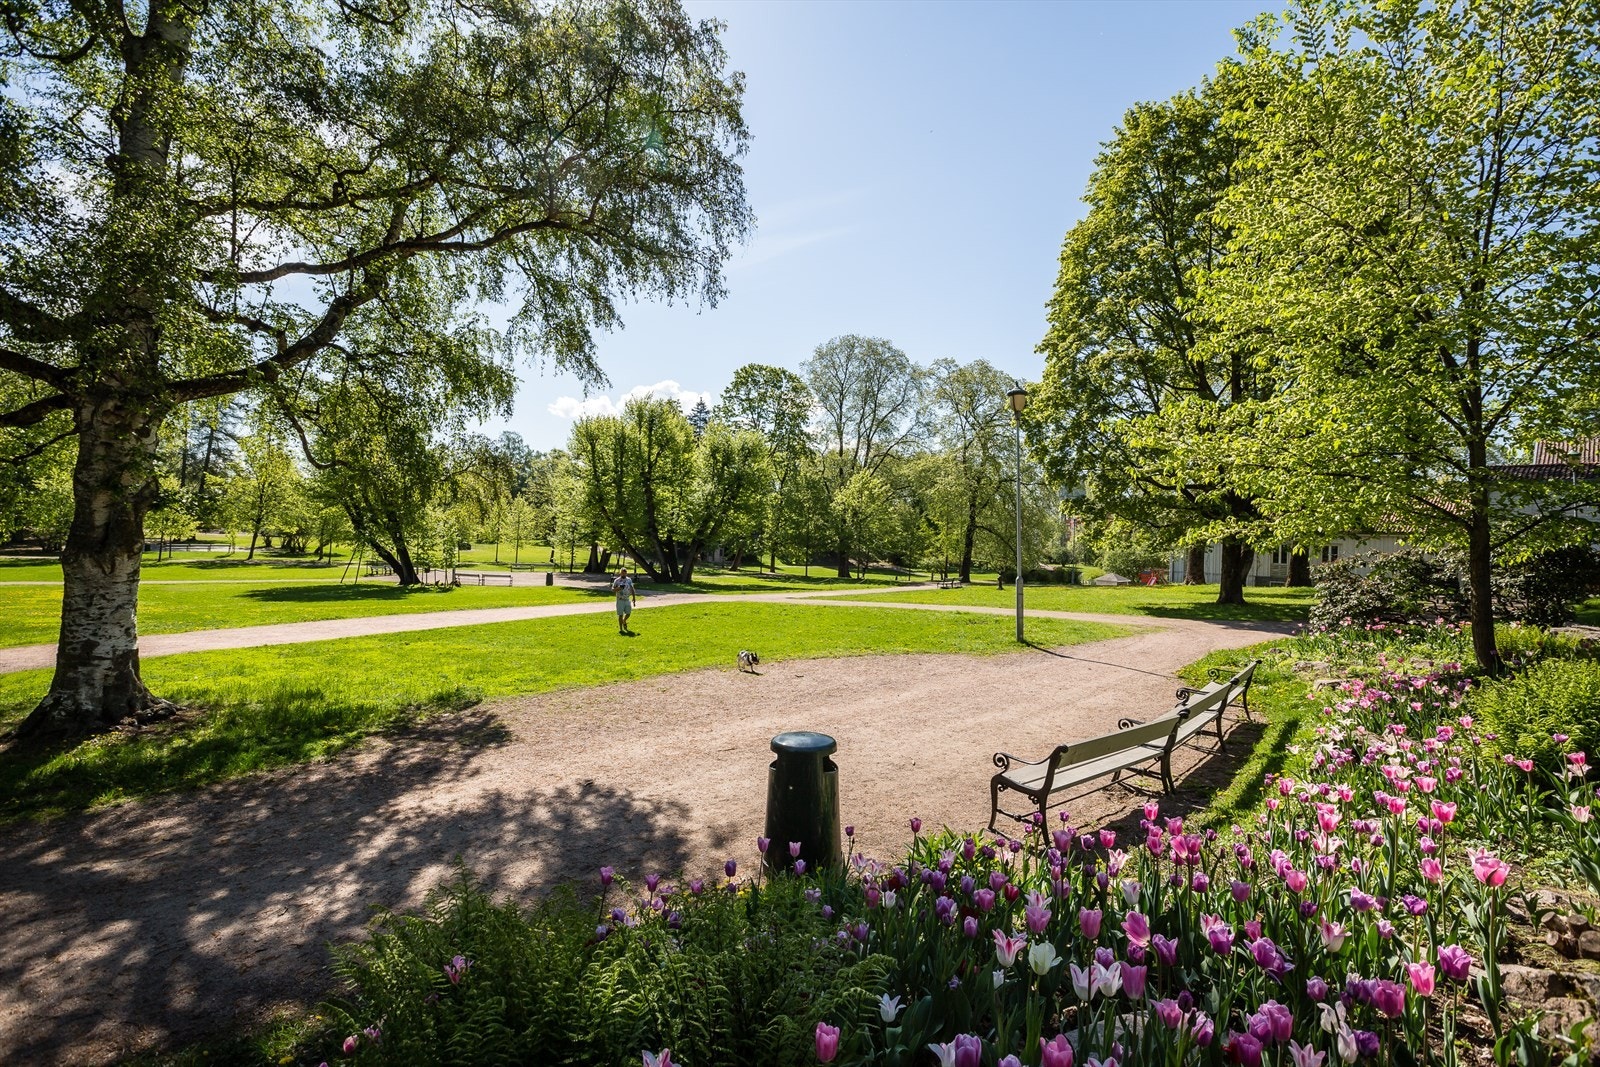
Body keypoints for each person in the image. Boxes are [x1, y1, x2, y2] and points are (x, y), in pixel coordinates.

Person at [611, 567, 636, 634]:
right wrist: (619, 588)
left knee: (628, 613)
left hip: (627, 599)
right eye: (622, 573)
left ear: (626, 573)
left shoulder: (629, 580)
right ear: (620, 573)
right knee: (620, 615)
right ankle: (621, 629)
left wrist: (634, 597)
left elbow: (632, 588)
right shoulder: (617, 580)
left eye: (625, 573)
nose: (623, 574)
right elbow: (613, 589)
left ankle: (624, 621)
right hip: (620, 600)